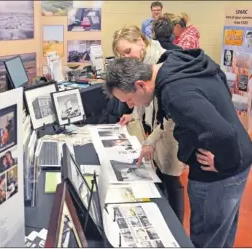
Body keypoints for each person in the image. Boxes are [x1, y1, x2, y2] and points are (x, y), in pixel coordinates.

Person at [105, 50, 252, 247]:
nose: (130, 105)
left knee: (207, 238)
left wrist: (224, 164)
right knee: (223, 231)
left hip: (219, 172)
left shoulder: (175, 94)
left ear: (141, 85)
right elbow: (219, 75)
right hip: (240, 157)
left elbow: (224, 134)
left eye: (129, 99)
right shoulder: (176, 61)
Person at [112, 25, 185, 222]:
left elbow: (169, 115)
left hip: (169, 133)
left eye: (128, 51)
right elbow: (141, 96)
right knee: (158, 176)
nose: (127, 58)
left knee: (171, 180)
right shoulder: (142, 62)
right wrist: (134, 115)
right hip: (155, 128)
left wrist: (150, 140)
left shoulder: (163, 62)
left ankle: (175, 226)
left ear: (140, 40)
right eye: (122, 55)